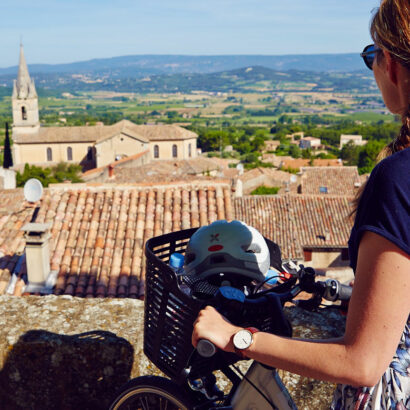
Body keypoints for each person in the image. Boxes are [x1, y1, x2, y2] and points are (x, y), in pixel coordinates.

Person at [192, 0, 410, 408]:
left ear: (392, 65)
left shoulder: (398, 179)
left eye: (372, 57)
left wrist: (235, 337)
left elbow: (363, 362)